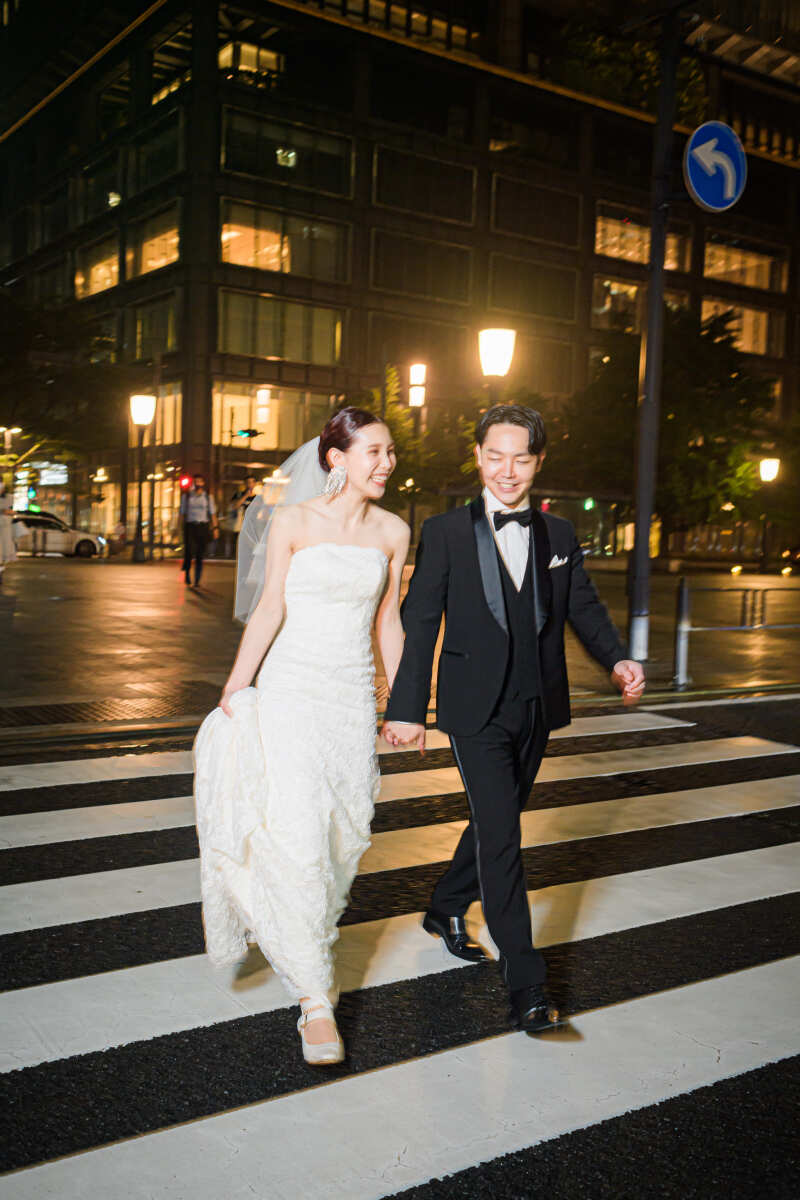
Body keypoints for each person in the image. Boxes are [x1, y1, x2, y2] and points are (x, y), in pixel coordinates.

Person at [382, 404, 645, 1033]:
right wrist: (407, 710)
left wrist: (616, 658)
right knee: (503, 837)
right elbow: (421, 622)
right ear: (477, 457)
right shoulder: (445, 532)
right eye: (495, 456)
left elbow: (582, 606)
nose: (507, 470)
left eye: (520, 458)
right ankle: (527, 984)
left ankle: (446, 905)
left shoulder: (559, 535)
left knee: (493, 821)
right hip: (474, 710)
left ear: (538, 461)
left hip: (537, 705)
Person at [193, 408, 409, 1065]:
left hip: (349, 701)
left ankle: (301, 930)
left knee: (342, 836)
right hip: (290, 691)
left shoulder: (395, 531)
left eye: (390, 451)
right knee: (298, 835)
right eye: (373, 451)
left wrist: (405, 704)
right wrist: (236, 686)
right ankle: (315, 1000)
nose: (386, 463)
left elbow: (389, 621)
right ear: (337, 459)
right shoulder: (292, 521)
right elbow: (269, 609)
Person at [180, 474, 218, 588]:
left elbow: (213, 514)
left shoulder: (208, 497)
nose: (197, 484)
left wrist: (215, 528)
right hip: (190, 526)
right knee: (189, 551)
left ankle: (197, 579)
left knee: (200, 554)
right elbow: (182, 513)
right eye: (195, 482)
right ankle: (187, 574)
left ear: (203, 483)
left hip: (203, 526)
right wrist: (179, 528)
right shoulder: (187, 496)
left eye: (199, 482)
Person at [0, 481, 16, 583]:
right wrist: (3, 511)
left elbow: (10, 511)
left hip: (5, 528)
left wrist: (9, 512)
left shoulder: (9, 498)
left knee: (3, 553)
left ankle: (1, 573)